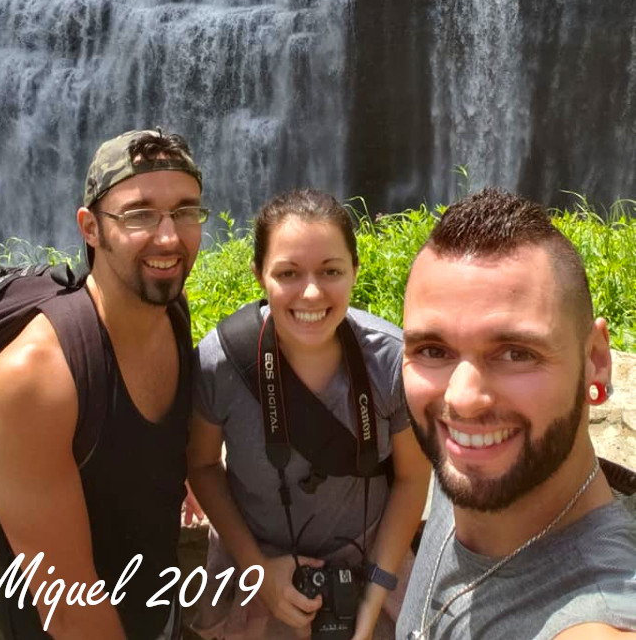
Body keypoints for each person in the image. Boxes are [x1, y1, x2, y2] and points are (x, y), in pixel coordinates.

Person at [0, 128, 208, 640]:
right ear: (91, 228)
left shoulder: (169, 308)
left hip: (158, 611)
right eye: (139, 214)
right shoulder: (36, 379)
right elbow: (69, 611)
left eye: (185, 211)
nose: (169, 237)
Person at [187, 188, 431, 640]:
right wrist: (258, 571)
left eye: (331, 271)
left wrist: (376, 593)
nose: (312, 292)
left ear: (356, 270)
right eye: (288, 273)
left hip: (371, 566)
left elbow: (415, 478)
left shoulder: (389, 362)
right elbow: (201, 465)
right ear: (259, 274)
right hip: (254, 564)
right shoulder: (220, 364)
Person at [397, 187, 636, 640]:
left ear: (597, 359)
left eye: (515, 353)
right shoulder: (475, 466)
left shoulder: (599, 615)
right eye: (433, 350)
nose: (463, 399)